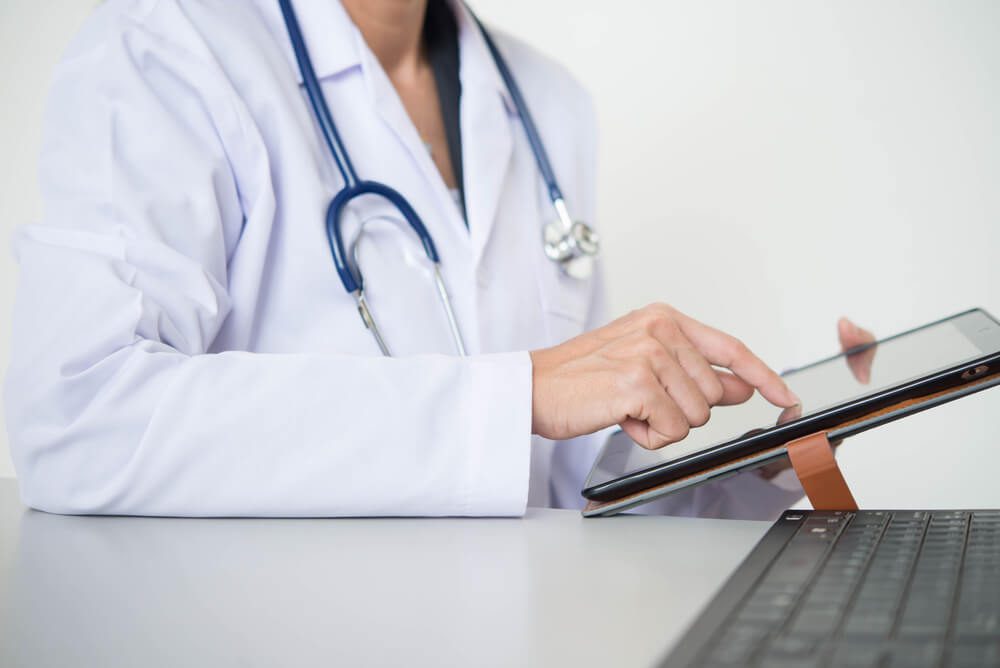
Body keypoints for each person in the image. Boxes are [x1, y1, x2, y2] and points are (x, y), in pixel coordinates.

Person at [4, 0, 873, 518]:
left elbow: (562, 484)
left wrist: (767, 454)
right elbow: (80, 421)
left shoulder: (546, 100)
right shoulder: (170, 46)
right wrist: (517, 391)